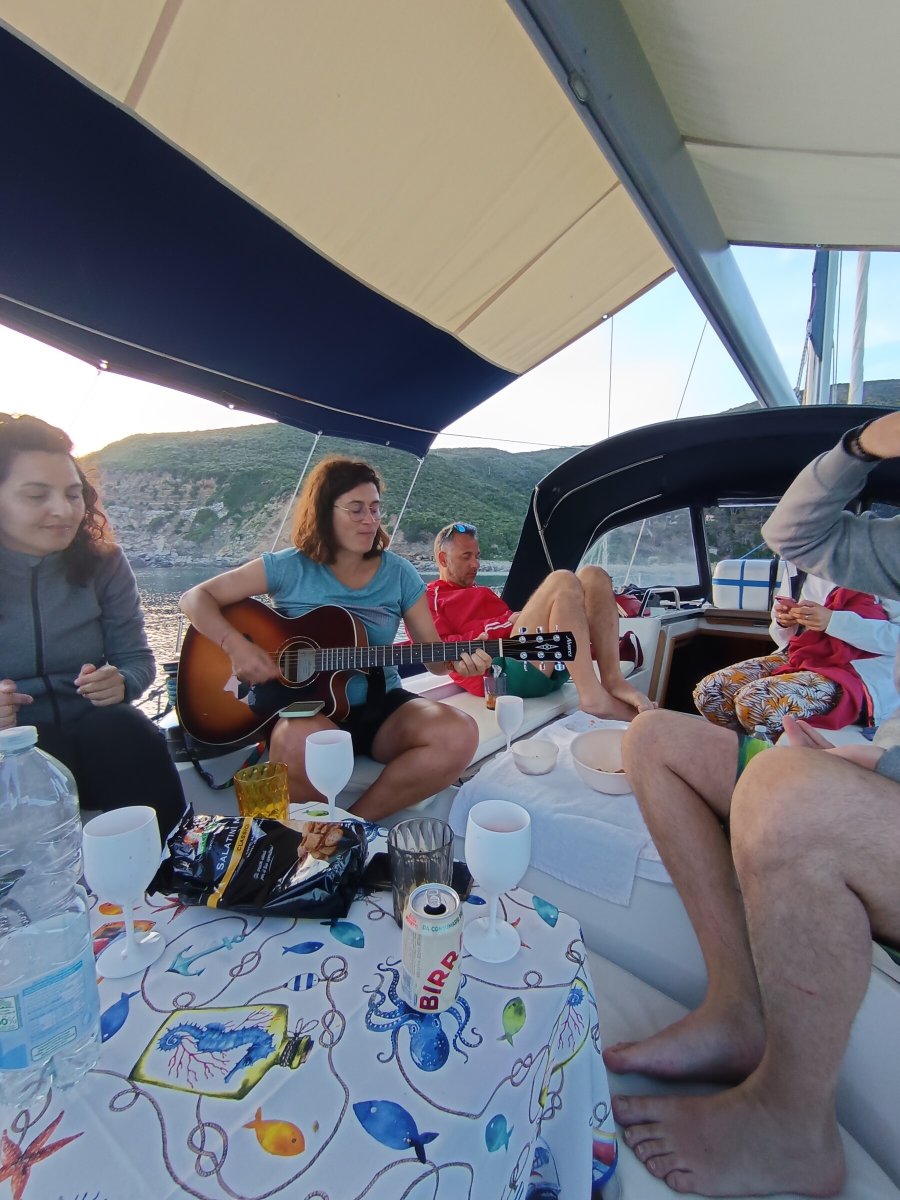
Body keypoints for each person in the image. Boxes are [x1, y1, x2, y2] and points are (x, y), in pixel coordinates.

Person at [603, 411, 900, 1197]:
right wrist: (862, 446)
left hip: (872, 737)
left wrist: (874, 757)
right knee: (654, 741)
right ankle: (738, 1009)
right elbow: (792, 532)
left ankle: (793, 1126)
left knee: (780, 784)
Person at [180, 458, 490, 823]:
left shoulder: (400, 573)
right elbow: (195, 598)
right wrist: (236, 644)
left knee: (459, 733)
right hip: (307, 713)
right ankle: (309, 838)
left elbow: (435, 660)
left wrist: (462, 658)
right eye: (356, 509)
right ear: (324, 512)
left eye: (374, 509)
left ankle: (350, 827)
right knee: (298, 741)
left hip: (381, 708)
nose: (369, 519)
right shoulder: (288, 566)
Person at [0, 413, 186, 833]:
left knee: (123, 727)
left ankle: (174, 868)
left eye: (73, 493)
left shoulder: (104, 563)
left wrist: (120, 682)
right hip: (12, 753)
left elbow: (137, 660)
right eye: (36, 495)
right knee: (33, 744)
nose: (62, 510)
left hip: (100, 739)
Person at [427, 522, 653, 719]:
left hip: (542, 664)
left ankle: (612, 681)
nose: (475, 564)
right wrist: (508, 623)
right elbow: (441, 649)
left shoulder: (482, 592)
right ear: (442, 558)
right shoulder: (429, 597)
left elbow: (510, 624)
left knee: (594, 575)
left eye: (476, 556)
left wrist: (511, 621)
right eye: (466, 557)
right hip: (500, 673)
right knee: (562, 580)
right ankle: (593, 698)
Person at [693, 562, 900, 736]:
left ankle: (769, 768)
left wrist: (833, 622)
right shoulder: (798, 564)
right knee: (711, 694)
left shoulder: (886, 563)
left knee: (756, 702)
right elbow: (786, 637)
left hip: (860, 672)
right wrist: (784, 621)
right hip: (803, 656)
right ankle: (741, 756)